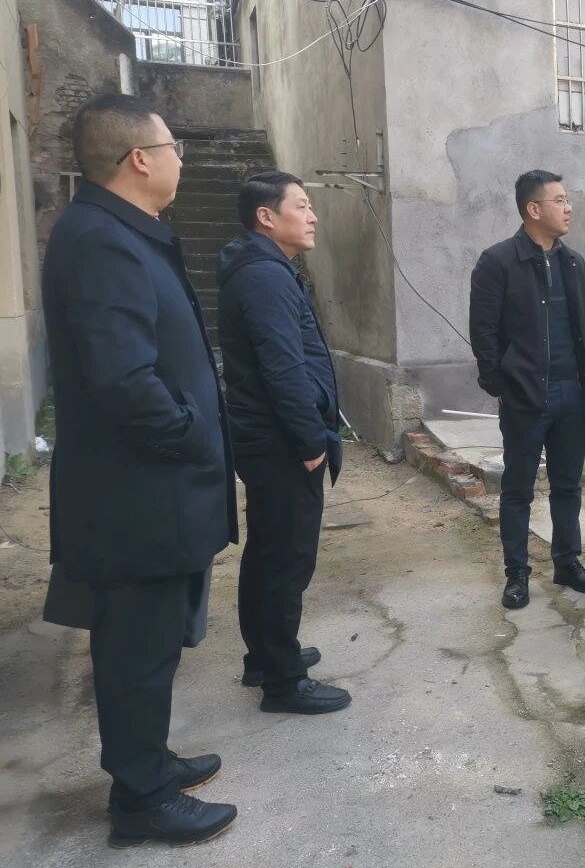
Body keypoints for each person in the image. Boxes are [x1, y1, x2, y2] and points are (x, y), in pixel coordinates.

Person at [41, 94, 237, 847]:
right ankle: (141, 799)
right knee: (133, 651)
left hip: (153, 491)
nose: (181, 158)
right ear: (139, 160)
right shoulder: (100, 240)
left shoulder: (123, 231)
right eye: (173, 147)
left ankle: (150, 761)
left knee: (150, 646)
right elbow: (123, 381)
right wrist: (194, 436)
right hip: (138, 497)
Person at [217, 171, 350, 714]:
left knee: (269, 552)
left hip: (269, 438)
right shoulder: (264, 277)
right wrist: (310, 439)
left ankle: (266, 656)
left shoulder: (263, 269)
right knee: (286, 560)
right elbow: (283, 368)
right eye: (301, 206)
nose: (313, 216)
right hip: (280, 442)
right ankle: (283, 680)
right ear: (266, 217)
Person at [469, 170, 585, 609]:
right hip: (527, 396)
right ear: (534, 209)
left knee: (568, 485)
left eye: (567, 200)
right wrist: (501, 386)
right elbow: (483, 333)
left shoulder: (574, 263)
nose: (568, 208)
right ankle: (517, 574)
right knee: (518, 489)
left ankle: (567, 562)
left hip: (573, 393)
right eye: (560, 200)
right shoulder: (497, 262)